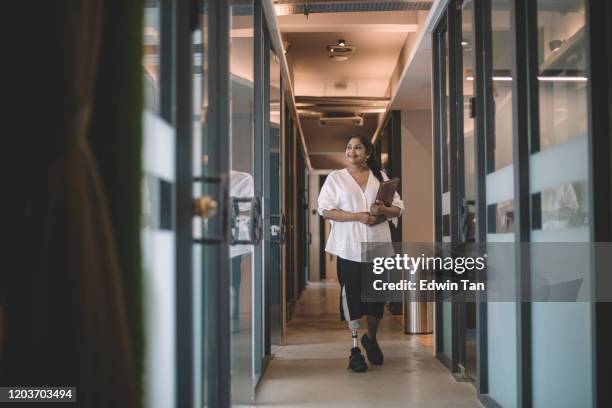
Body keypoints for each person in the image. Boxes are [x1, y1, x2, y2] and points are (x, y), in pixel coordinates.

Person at [317, 135, 404, 372]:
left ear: (367, 152)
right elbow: (325, 210)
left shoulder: (380, 177)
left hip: (378, 247)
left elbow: (398, 208)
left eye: (357, 147)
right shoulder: (336, 179)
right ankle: (355, 349)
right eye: (348, 147)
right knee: (352, 299)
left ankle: (371, 339)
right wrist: (359, 216)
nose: (351, 151)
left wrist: (383, 209)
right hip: (350, 247)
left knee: (376, 300)